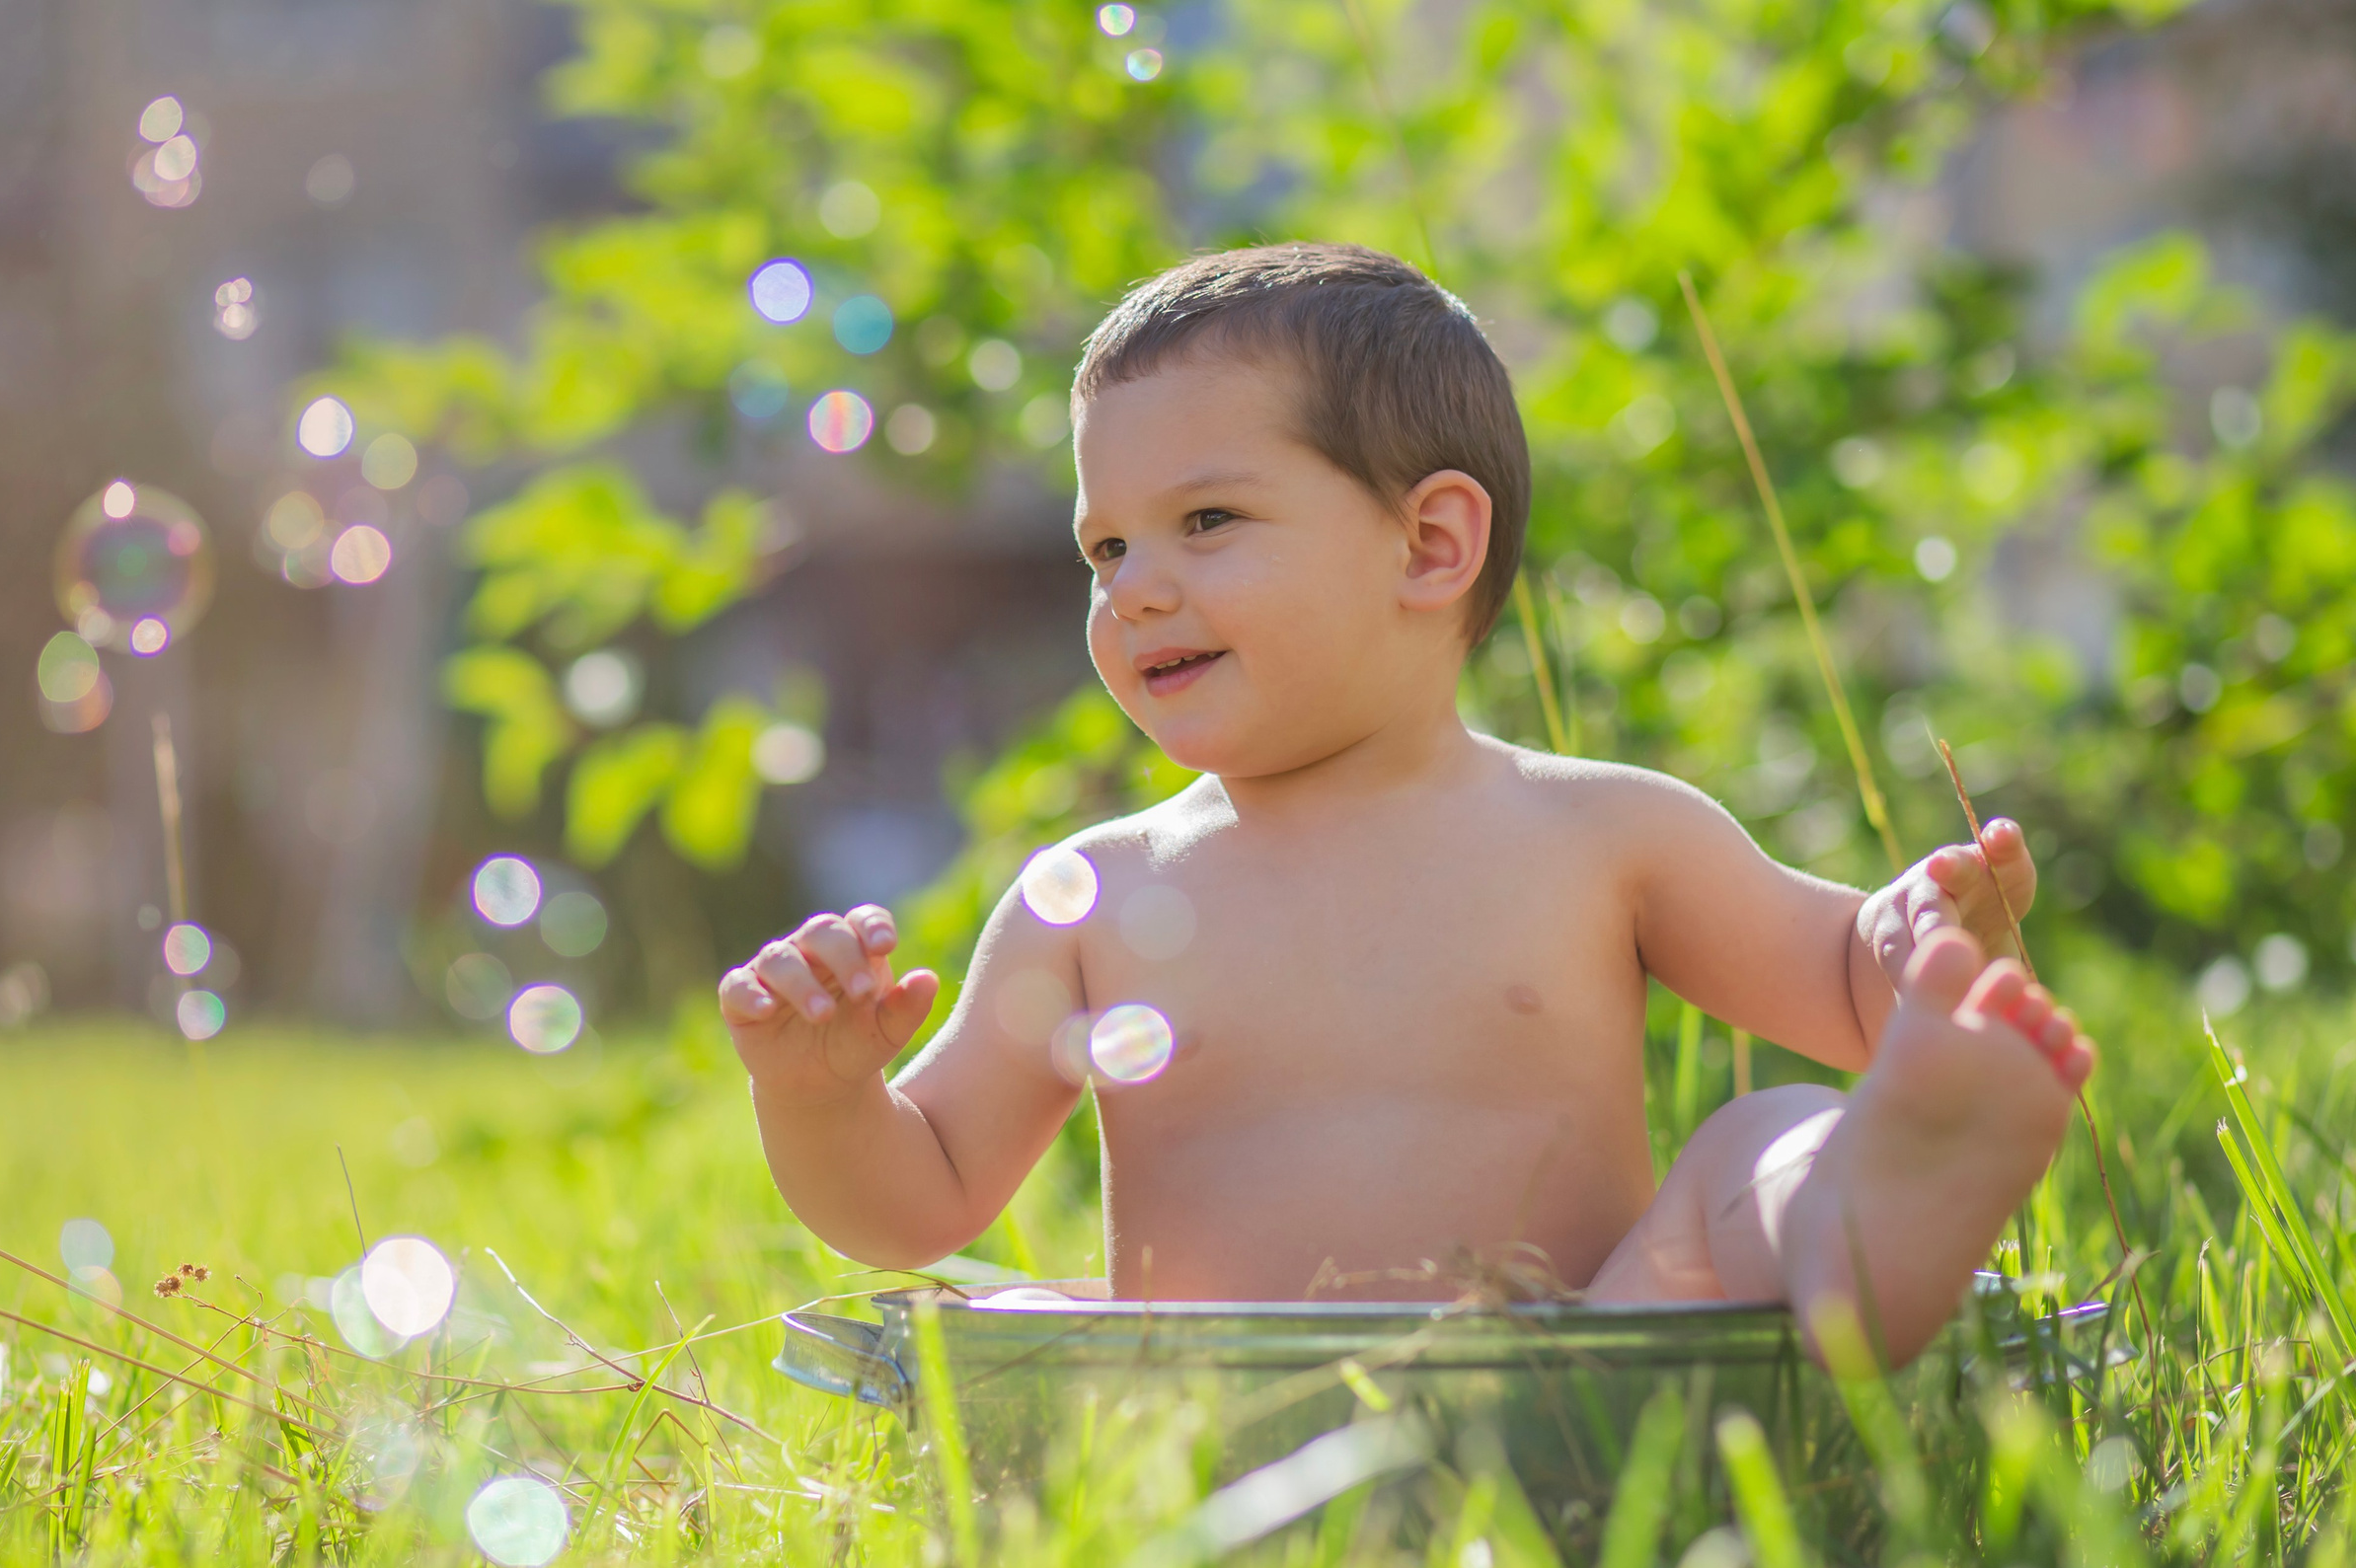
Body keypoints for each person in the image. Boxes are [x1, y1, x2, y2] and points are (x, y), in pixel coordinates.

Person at [720, 242, 2094, 1369]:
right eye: (1106, 544)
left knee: (1761, 1141)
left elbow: (1844, 992)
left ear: (1430, 546)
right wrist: (828, 1103)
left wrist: (1922, 944)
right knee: (997, 1332)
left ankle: (1881, 1212)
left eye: (1206, 523)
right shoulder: (1092, 896)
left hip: (1582, 1379)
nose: (1133, 586)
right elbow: (922, 1199)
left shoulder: (1604, 835)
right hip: (1229, 1405)